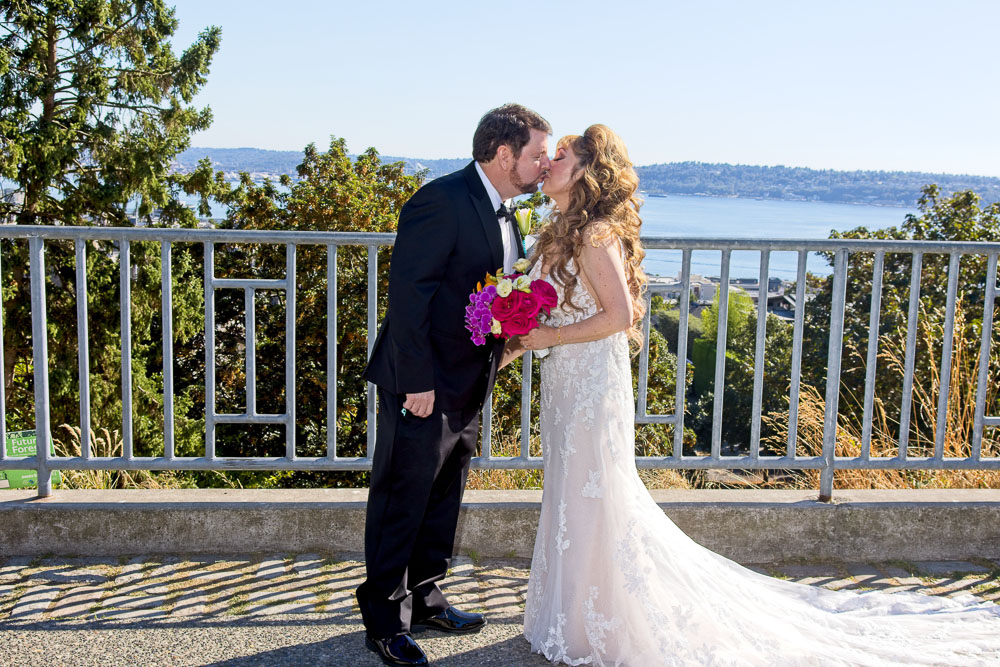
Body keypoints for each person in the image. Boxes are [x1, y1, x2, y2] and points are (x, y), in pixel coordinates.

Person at [509, 124, 1000, 666]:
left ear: (587, 172)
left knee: (595, 498)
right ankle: (571, 616)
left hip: (590, 384)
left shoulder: (597, 232)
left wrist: (549, 336)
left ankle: (601, 620)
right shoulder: (561, 229)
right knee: (574, 495)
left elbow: (619, 316)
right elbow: (552, 303)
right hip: (567, 379)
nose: (549, 163)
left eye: (561, 155)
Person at [359, 103, 551, 666]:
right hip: (424, 384)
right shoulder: (440, 200)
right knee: (403, 498)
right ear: (502, 153)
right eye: (537, 153)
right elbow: (409, 294)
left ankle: (426, 597)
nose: (544, 163)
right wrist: (417, 380)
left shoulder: (506, 212)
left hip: (469, 380)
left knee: (444, 494)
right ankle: (383, 621)